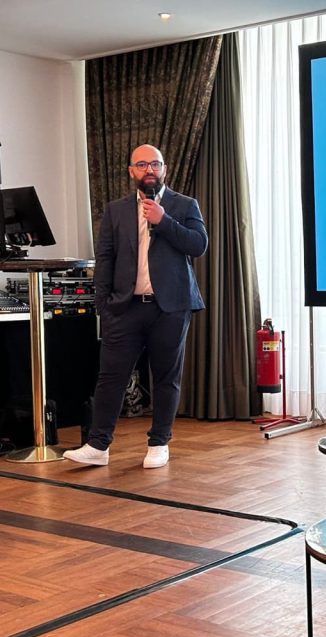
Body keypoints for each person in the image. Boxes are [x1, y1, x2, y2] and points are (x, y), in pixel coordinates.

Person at [65, 144, 208, 468]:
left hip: (170, 308)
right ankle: (98, 446)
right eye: (142, 165)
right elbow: (105, 258)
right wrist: (103, 304)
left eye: (155, 164)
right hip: (124, 307)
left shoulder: (184, 205)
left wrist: (164, 220)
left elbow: (198, 245)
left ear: (165, 169)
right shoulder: (115, 210)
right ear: (131, 171)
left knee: (166, 377)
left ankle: (159, 443)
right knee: (110, 377)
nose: (149, 170)